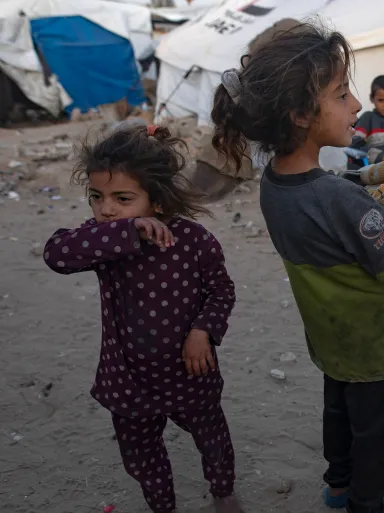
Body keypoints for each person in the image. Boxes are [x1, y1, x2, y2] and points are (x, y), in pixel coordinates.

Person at [209, 22, 384, 513]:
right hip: (377, 348)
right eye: (342, 93)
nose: (356, 105)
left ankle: (339, 486)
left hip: (332, 343)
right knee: (382, 430)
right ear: (301, 114)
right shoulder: (341, 199)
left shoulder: (272, 185)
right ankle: (367, 503)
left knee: (341, 414)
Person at [42, 125, 241, 513]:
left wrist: (203, 331)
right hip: (127, 379)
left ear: (159, 201)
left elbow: (221, 291)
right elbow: (56, 254)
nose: (106, 209)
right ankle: (162, 505)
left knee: (212, 437)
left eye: (123, 199)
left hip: (189, 373)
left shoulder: (194, 241)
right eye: (96, 197)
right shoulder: (103, 241)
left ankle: (223, 490)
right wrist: (126, 230)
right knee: (141, 456)